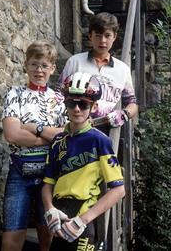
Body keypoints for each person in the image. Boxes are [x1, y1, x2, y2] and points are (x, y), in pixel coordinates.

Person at [42, 72, 125, 251]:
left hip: (83, 219)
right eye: (72, 102)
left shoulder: (100, 141)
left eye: (83, 104)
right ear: (65, 104)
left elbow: (118, 190)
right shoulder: (58, 141)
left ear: (94, 106)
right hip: (59, 216)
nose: (77, 109)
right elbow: (47, 184)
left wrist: (82, 220)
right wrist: (49, 210)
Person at [1, 40, 67, 251]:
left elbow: (64, 135)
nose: (39, 70)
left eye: (44, 65)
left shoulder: (58, 99)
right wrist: (47, 136)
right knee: (11, 238)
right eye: (34, 64)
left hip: (49, 175)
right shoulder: (15, 94)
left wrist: (33, 128)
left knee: (47, 238)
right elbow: (12, 134)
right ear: (26, 65)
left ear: (52, 68)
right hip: (20, 173)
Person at [57, 12, 138, 135]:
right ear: (90, 36)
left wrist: (124, 114)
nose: (103, 41)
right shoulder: (75, 62)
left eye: (107, 35)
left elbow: (132, 103)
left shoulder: (123, 69)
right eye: (98, 35)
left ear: (114, 37)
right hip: (76, 127)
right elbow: (59, 94)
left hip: (107, 130)